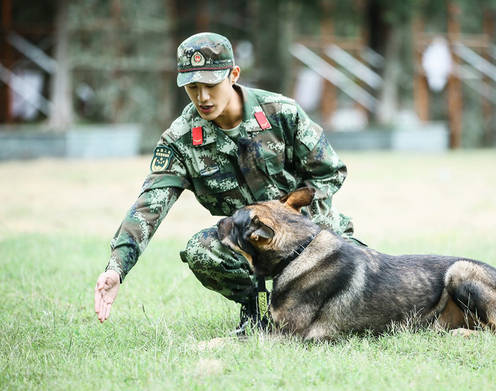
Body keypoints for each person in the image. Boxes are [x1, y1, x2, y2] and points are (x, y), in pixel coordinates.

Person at [93, 32, 355, 333]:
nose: (202, 97)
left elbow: (329, 172)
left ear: (233, 75)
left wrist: (296, 220)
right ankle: (259, 313)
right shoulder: (180, 141)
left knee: (363, 288)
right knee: (200, 250)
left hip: (306, 231)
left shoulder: (281, 113)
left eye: (211, 85)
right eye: (192, 87)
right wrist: (116, 268)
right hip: (247, 243)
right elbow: (148, 208)